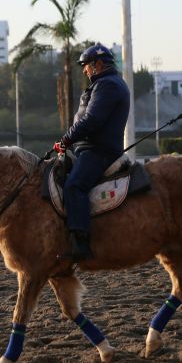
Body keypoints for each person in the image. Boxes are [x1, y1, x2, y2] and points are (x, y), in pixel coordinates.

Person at [55, 42, 130, 261]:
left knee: (74, 185)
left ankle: (81, 242)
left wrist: (66, 139)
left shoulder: (107, 85)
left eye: (86, 65)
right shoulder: (106, 83)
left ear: (98, 64)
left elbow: (92, 120)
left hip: (98, 151)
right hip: (89, 149)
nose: (85, 70)